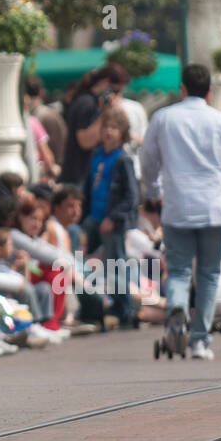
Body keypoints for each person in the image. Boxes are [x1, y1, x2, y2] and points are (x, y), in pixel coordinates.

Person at [141, 63, 221, 358]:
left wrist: (154, 189)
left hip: (177, 207)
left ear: (182, 89)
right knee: (209, 274)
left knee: (180, 269)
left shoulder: (163, 118)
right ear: (210, 92)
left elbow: (147, 159)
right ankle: (200, 341)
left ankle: (177, 307)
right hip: (213, 207)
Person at [83, 107, 140, 328]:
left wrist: (114, 217)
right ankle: (93, 304)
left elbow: (132, 197)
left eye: (114, 128)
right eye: (106, 127)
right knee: (83, 260)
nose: (109, 132)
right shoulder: (98, 155)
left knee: (116, 265)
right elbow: (89, 187)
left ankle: (123, 308)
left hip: (111, 222)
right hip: (94, 217)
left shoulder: (123, 159)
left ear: (122, 132)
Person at [60, 63, 130, 187]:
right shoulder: (87, 104)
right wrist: (105, 113)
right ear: (105, 83)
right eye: (116, 91)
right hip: (78, 178)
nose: (117, 96)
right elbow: (85, 141)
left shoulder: (90, 102)